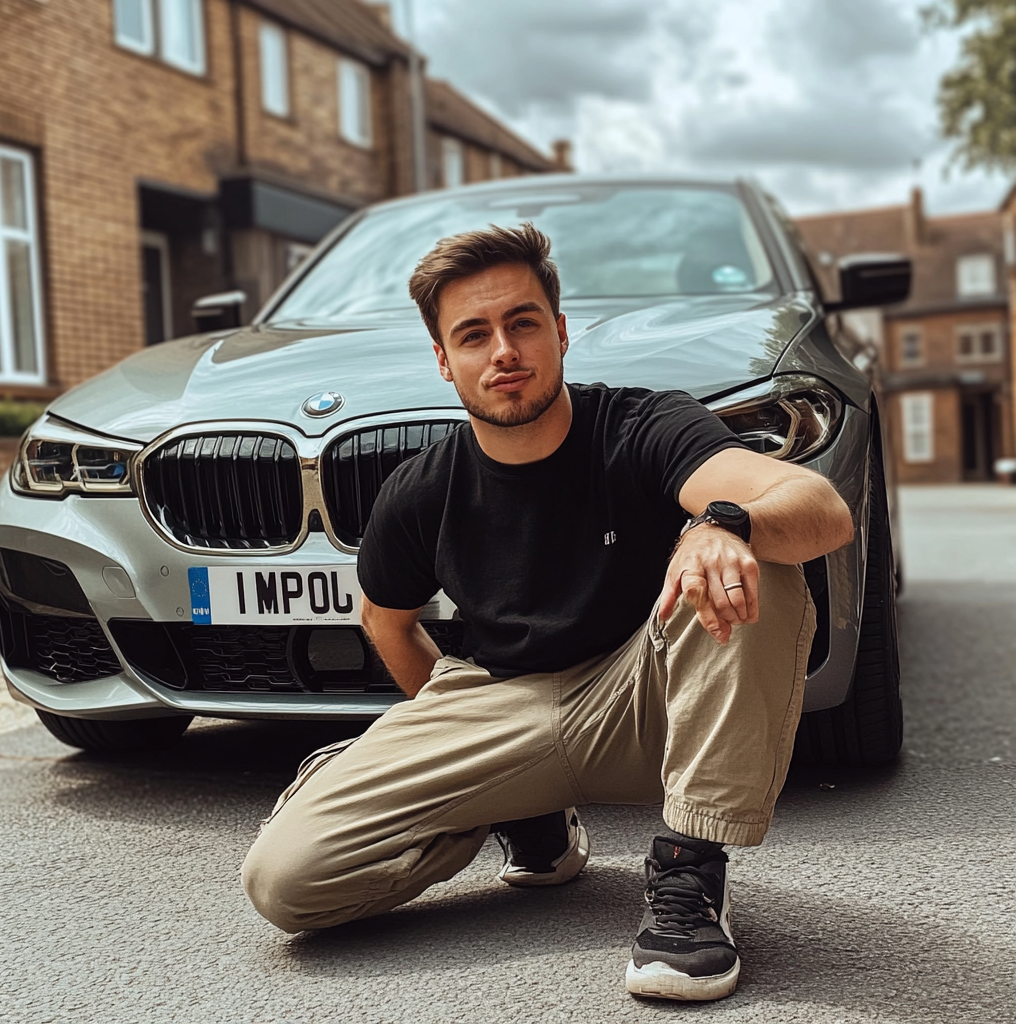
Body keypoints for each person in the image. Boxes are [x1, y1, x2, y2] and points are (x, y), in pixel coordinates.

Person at [241, 224, 854, 1002]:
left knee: (748, 555)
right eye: (474, 334)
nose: (503, 350)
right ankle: (516, 813)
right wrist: (460, 764)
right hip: (499, 705)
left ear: (559, 333)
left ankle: (689, 880)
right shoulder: (420, 490)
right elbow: (386, 623)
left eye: (522, 323)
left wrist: (722, 525)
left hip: (644, 700)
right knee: (284, 883)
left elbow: (820, 508)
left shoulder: (640, 426)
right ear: (444, 359)